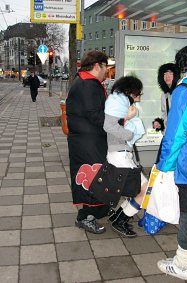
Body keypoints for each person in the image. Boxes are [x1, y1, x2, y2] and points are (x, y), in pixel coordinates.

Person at [156, 44, 187, 280]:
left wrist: (163, 167)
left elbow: (174, 136)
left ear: (182, 65)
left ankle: (183, 264)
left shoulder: (184, 91)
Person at [66, 50, 110, 234]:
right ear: (97, 65)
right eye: (105, 66)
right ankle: (85, 217)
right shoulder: (89, 85)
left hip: (86, 141)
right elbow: (96, 115)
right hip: (89, 142)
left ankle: (95, 211)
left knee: (91, 178)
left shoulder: (83, 82)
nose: (107, 70)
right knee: (91, 179)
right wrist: (120, 120)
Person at [103, 76, 148, 237]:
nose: (139, 97)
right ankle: (120, 220)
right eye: (138, 93)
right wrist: (129, 131)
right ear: (130, 91)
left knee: (138, 188)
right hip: (119, 154)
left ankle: (118, 216)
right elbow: (108, 125)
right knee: (145, 190)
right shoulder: (118, 102)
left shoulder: (119, 101)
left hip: (121, 154)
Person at [153, 63, 181, 132]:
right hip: (169, 135)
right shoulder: (164, 95)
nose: (167, 76)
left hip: (182, 135)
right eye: (165, 74)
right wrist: (160, 124)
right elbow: (165, 116)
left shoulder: (181, 92)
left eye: (170, 73)